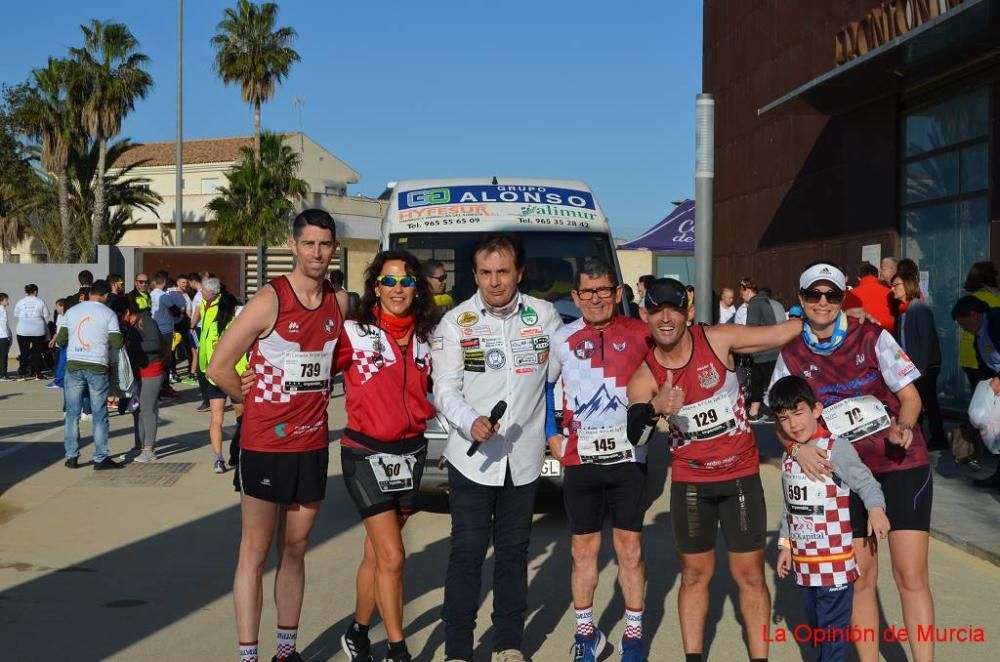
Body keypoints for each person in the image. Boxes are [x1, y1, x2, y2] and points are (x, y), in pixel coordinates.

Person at [625, 277, 803, 662]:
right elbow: (635, 437)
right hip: (691, 483)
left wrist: (835, 314)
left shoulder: (718, 339)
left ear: (689, 312)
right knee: (693, 577)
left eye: (674, 309)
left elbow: (782, 332)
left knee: (751, 576)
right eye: (657, 311)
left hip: (739, 476)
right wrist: (656, 407)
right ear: (645, 315)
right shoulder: (645, 374)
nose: (666, 318)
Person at [769, 262, 934, 662]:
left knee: (910, 576)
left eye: (832, 295)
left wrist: (905, 427)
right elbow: (780, 422)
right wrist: (796, 449)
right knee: (861, 581)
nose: (823, 303)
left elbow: (911, 397)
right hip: (842, 480)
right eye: (814, 295)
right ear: (802, 298)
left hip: (900, 465)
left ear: (843, 298)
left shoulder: (872, 335)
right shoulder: (791, 353)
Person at [207, 208, 343, 662]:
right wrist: (246, 399)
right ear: (293, 246)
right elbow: (218, 366)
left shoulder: (338, 303)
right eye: (309, 244)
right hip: (265, 445)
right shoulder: (269, 300)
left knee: (296, 547)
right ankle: (248, 654)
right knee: (255, 550)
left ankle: (287, 650)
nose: (317, 253)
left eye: (325, 245)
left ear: (334, 249)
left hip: (312, 444)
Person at [433, 234, 562, 662]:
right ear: (474, 275)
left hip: (523, 460)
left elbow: (565, 376)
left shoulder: (544, 316)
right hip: (471, 461)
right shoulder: (455, 322)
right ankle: (457, 648)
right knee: (467, 553)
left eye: (502, 272)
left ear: (519, 273)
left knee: (513, 553)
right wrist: (470, 422)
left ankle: (508, 643)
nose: (494, 282)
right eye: (486, 273)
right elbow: (445, 388)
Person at [546, 259, 651, 662]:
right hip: (580, 458)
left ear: (618, 293)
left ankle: (634, 636)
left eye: (604, 290)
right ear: (575, 297)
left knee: (630, 550)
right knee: (583, 552)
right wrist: (550, 434)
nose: (595, 299)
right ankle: (586, 634)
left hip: (629, 457)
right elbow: (546, 387)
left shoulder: (640, 333)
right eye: (587, 292)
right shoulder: (563, 338)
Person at [336, 250, 437, 662]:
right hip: (365, 451)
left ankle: (358, 631)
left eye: (407, 281)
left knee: (377, 553)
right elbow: (309, 360)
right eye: (390, 281)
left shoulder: (430, 336)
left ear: (417, 288)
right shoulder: (354, 332)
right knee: (394, 556)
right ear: (375, 287)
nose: (399, 289)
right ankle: (398, 649)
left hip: (411, 453)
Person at [770, 376, 890, 662]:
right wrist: (786, 545)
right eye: (784, 419)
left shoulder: (836, 447)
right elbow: (792, 507)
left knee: (833, 639)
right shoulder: (790, 456)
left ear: (816, 409)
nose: (793, 424)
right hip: (805, 564)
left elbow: (867, 483)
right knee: (818, 633)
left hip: (835, 563)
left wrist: (876, 508)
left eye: (798, 413)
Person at [57, 280, 124, 470]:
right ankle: (100, 457)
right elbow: (117, 342)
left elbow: (61, 339)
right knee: (99, 413)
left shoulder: (72, 311)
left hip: (74, 364)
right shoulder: (108, 313)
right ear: (105, 295)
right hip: (97, 366)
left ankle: (71, 456)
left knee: (72, 413)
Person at [891, 272, 946, 451]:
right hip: (912, 367)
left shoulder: (918, 308)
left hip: (925, 367)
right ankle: (918, 436)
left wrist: (920, 369)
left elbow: (927, 339)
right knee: (919, 403)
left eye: (896, 285)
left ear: (907, 285)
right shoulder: (903, 311)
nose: (893, 289)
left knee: (928, 403)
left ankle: (937, 438)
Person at [951, 295, 1000, 489]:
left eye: (964, 325)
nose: (965, 330)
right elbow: (985, 367)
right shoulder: (979, 335)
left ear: (974, 315)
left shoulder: (996, 321)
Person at [117, 298, 167, 462]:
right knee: (138, 411)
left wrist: (133, 347)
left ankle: (149, 449)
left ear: (127, 312)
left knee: (147, 409)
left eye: (120, 315)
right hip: (139, 371)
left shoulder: (146, 321)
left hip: (152, 369)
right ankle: (139, 446)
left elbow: (155, 344)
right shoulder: (131, 327)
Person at [201, 286, 241, 474]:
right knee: (242, 419)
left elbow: (203, 350)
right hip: (234, 377)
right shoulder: (237, 326)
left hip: (214, 377)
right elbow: (241, 355)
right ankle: (238, 452)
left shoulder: (211, 326)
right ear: (234, 309)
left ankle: (218, 458)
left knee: (216, 419)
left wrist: (205, 369)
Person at [958, 261, 1000, 388]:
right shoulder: (994, 299)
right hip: (986, 357)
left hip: (967, 355)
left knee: (979, 398)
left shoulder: (970, 298)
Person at [744, 279, 778, 423]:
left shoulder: (754, 304)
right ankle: (757, 411)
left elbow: (751, 326)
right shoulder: (768, 303)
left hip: (760, 348)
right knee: (764, 382)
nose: (743, 297)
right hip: (771, 348)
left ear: (747, 291)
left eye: (743, 293)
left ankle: (770, 412)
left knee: (763, 382)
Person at [842, 262, 894, 332]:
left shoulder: (850, 294)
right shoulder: (891, 293)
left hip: (860, 337)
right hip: (889, 336)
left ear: (859, 278)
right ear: (877, 276)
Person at [14, 283, 49, 380]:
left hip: (22, 330)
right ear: (36, 291)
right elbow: (46, 315)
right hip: (38, 330)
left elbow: (16, 314)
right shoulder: (40, 301)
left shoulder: (20, 302)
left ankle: (22, 374)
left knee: (23, 353)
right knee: (36, 353)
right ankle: (38, 374)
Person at [0, 293, 10, 380]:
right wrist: (8, 336)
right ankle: (3, 374)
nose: (8, 302)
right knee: (3, 355)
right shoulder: (2, 310)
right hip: (3, 336)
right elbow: (4, 325)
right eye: (6, 300)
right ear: (1, 301)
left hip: (2, 335)